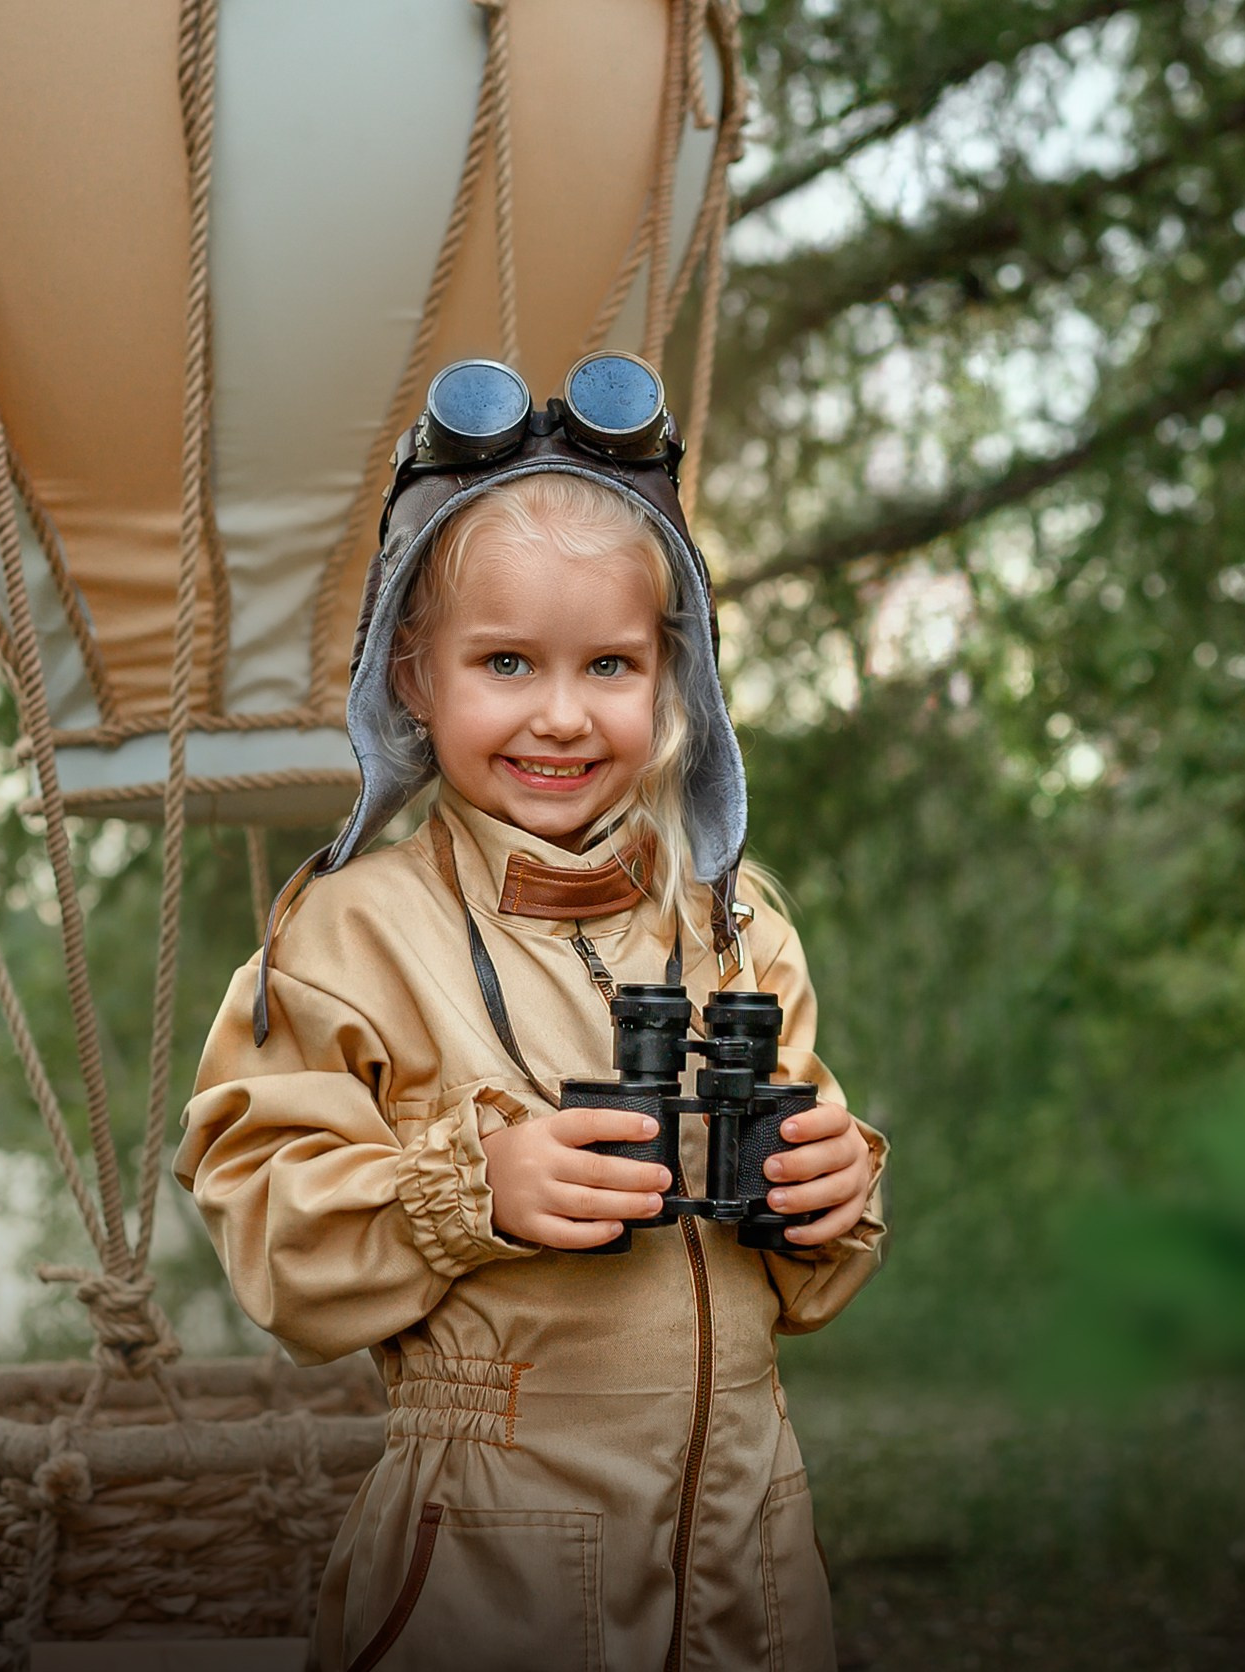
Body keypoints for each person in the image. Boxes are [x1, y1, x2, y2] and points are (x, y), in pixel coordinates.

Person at [176, 355, 887, 1671]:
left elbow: (801, 1281)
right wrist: (472, 1192)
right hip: (490, 1577)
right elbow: (265, 1224)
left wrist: (830, 1196)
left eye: (609, 664)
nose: (561, 715)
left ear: (672, 680)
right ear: (413, 673)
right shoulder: (348, 935)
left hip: (751, 1563)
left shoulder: (739, 926)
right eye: (506, 661)